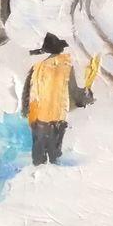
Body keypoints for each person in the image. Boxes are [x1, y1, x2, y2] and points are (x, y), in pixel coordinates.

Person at [21, 33, 92, 165]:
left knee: (38, 158)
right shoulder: (66, 67)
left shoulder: (37, 67)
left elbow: (27, 91)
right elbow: (73, 92)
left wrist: (25, 110)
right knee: (54, 157)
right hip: (57, 118)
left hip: (38, 118)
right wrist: (86, 97)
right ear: (61, 49)